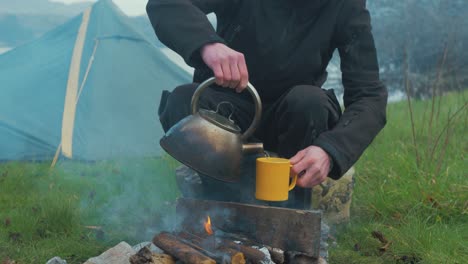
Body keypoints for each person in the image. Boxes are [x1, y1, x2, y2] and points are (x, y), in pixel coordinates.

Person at [146, 0, 387, 209]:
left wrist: (330, 150)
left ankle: (289, 216)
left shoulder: (345, 5)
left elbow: (369, 95)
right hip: (226, 113)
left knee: (309, 103)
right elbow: (165, 4)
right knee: (183, 102)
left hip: (294, 119)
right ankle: (222, 209)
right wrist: (207, 45)